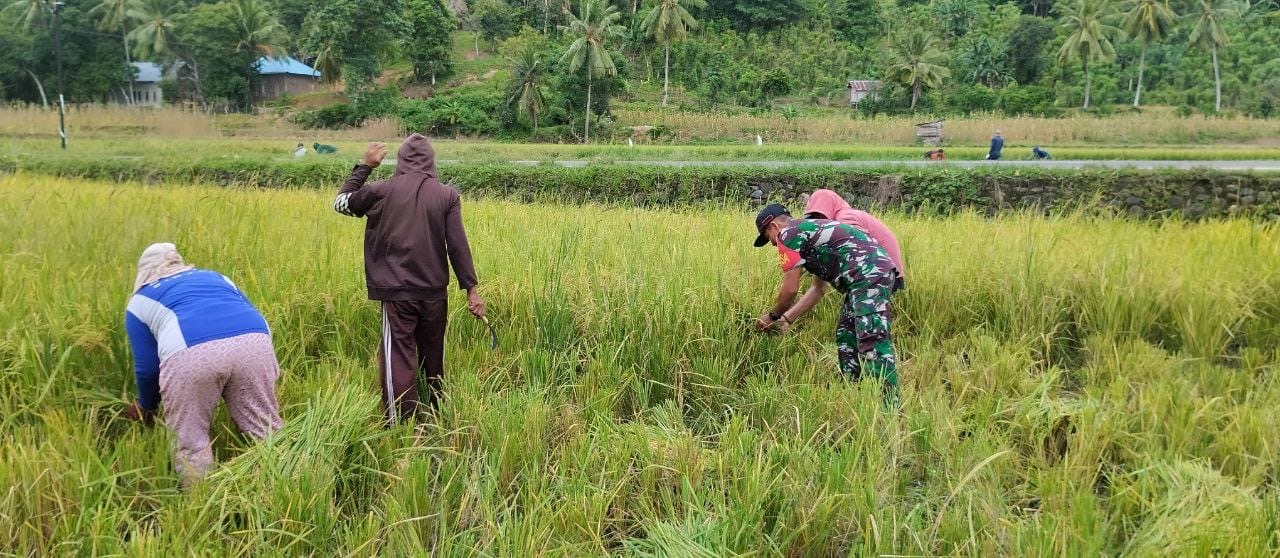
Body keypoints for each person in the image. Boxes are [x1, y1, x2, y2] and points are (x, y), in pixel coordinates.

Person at [333, 134, 485, 423]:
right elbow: (457, 245)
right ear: (431, 161)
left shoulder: (380, 191)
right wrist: (471, 291)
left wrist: (364, 167)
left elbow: (341, 203)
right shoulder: (446, 195)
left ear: (400, 161)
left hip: (396, 293)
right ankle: (435, 411)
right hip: (433, 293)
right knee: (432, 355)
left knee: (398, 356)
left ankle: (401, 424)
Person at [121, 243, 283, 485]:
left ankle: (201, 503)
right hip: (254, 341)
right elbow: (244, 307)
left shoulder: (140, 301)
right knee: (266, 430)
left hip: (191, 352)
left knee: (191, 443)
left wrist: (146, 406)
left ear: (144, 273)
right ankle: (282, 487)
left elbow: (148, 369)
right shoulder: (216, 277)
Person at [752, 204, 901, 407]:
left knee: (872, 341)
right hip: (867, 277)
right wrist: (787, 319)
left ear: (774, 226)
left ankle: (889, 409)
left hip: (868, 276)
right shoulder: (811, 231)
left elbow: (790, 289)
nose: (772, 244)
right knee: (846, 335)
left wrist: (772, 316)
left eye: (767, 236)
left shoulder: (787, 234)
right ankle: (853, 390)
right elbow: (817, 290)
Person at [782, 189, 904, 325]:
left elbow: (861, 254)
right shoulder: (830, 240)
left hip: (877, 273)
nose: (818, 223)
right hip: (878, 274)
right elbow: (818, 288)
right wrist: (786, 319)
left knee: (866, 329)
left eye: (820, 216)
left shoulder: (845, 217)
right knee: (850, 330)